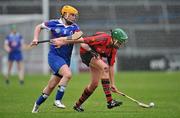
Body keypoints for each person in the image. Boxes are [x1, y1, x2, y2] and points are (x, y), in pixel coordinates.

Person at [51, 28, 128, 112]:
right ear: (114, 39)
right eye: (119, 42)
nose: (120, 44)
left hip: (96, 56)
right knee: (104, 67)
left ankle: (77, 105)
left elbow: (111, 66)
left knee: (94, 84)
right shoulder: (102, 38)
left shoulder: (113, 49)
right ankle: (110, 101)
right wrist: (62, 41)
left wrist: (112, 84)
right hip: (86, 53)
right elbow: (81, 41)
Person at [31, 5, 83, 113]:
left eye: (75, 15)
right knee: (68, 74)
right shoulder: (53, 23)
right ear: (65, 14)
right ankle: (58, 100)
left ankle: (36, 105)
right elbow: (38, 27)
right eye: (72, 15)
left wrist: (63, 40)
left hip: (65, 59)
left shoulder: (74, 27)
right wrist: (35, 38)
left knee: (51, 86)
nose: (74, 17)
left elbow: (80, 37)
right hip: (54, 57)